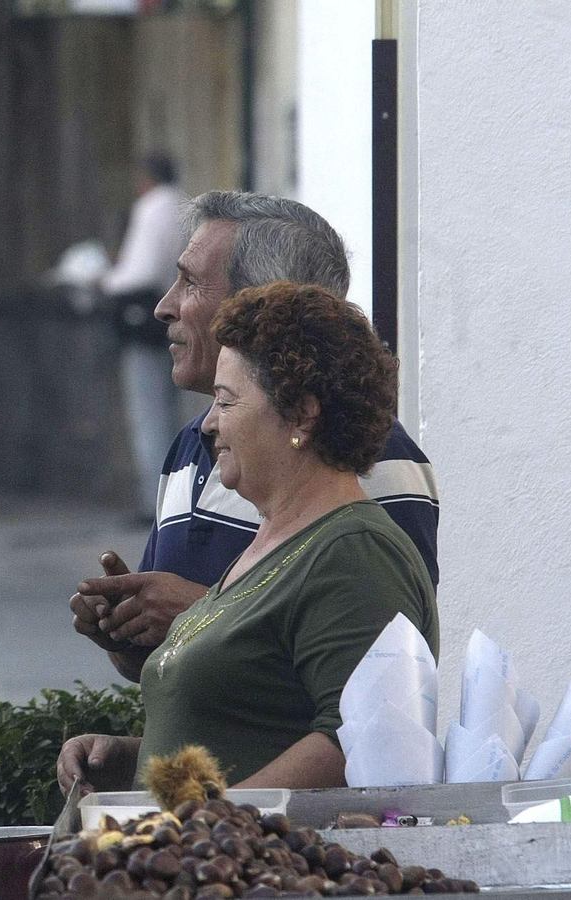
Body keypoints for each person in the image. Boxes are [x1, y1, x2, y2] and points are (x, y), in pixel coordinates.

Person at [57, 281, 439, 791]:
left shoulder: (355, 551)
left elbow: (357, 741)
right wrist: (133, 762)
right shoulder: (274, 544)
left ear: (301, 414)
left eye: (226, 401)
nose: (208, 425)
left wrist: (212, 825)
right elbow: (251, 731)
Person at [70, 192, 439, 685]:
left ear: (265, 304)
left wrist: (200, 610)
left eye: (191, 282)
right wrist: (128, 628)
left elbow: (382, 681)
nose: (164, 307)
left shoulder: (372, 460)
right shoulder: (190, 446)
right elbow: (181, 672)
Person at [102, 153, 189, 527]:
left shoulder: (151, 208)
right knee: (172, 409)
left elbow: (140, 271)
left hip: (144, 313)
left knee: (147, 411)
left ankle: (153, 500)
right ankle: (179, 494)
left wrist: (105, 278)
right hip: (182, 312)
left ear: (146, 177)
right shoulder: (185, 206)